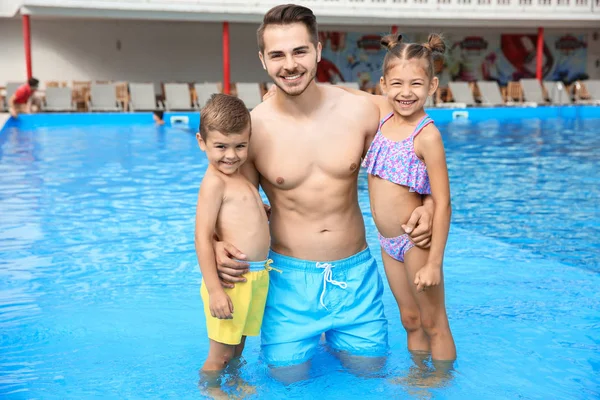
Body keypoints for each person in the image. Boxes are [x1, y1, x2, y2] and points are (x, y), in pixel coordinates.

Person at [213, 4, 434, 382]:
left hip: (355, 277)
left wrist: (428, 204)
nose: (290, 64)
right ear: (263, 60)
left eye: (299, 51)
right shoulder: (251, 131)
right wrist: (217, 242)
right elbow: (230, 199)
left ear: (318, 50)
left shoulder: (364, 109)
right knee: (287, 379)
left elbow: (420, 141)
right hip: (288, 283)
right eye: (277, 55)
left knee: (370, 372)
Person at [358, 33, 457, 365]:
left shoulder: (427, 136)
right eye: (397, 83)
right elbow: (341, 94)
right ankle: (420, 380)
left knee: (433, 322)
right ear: (384, 84)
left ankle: (442, 381)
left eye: (416, 83)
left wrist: (434, 264)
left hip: (416, 243)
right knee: (410, 320)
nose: (405, 92)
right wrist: (280, 94)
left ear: (432, 86)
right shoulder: (383, 112)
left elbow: (442, 202)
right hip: (388, 242)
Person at [194, 94, 274, 383]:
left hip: (253, 277)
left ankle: (234, 381)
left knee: (238, 345)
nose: (231, 155)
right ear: (201, 142)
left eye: (240, 146)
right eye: (221, 147)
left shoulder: (238, 175)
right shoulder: (214, 182)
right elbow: (202, 237)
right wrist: (215, 291)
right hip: (230, 282)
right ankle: (213, 388)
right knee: (220, 353)